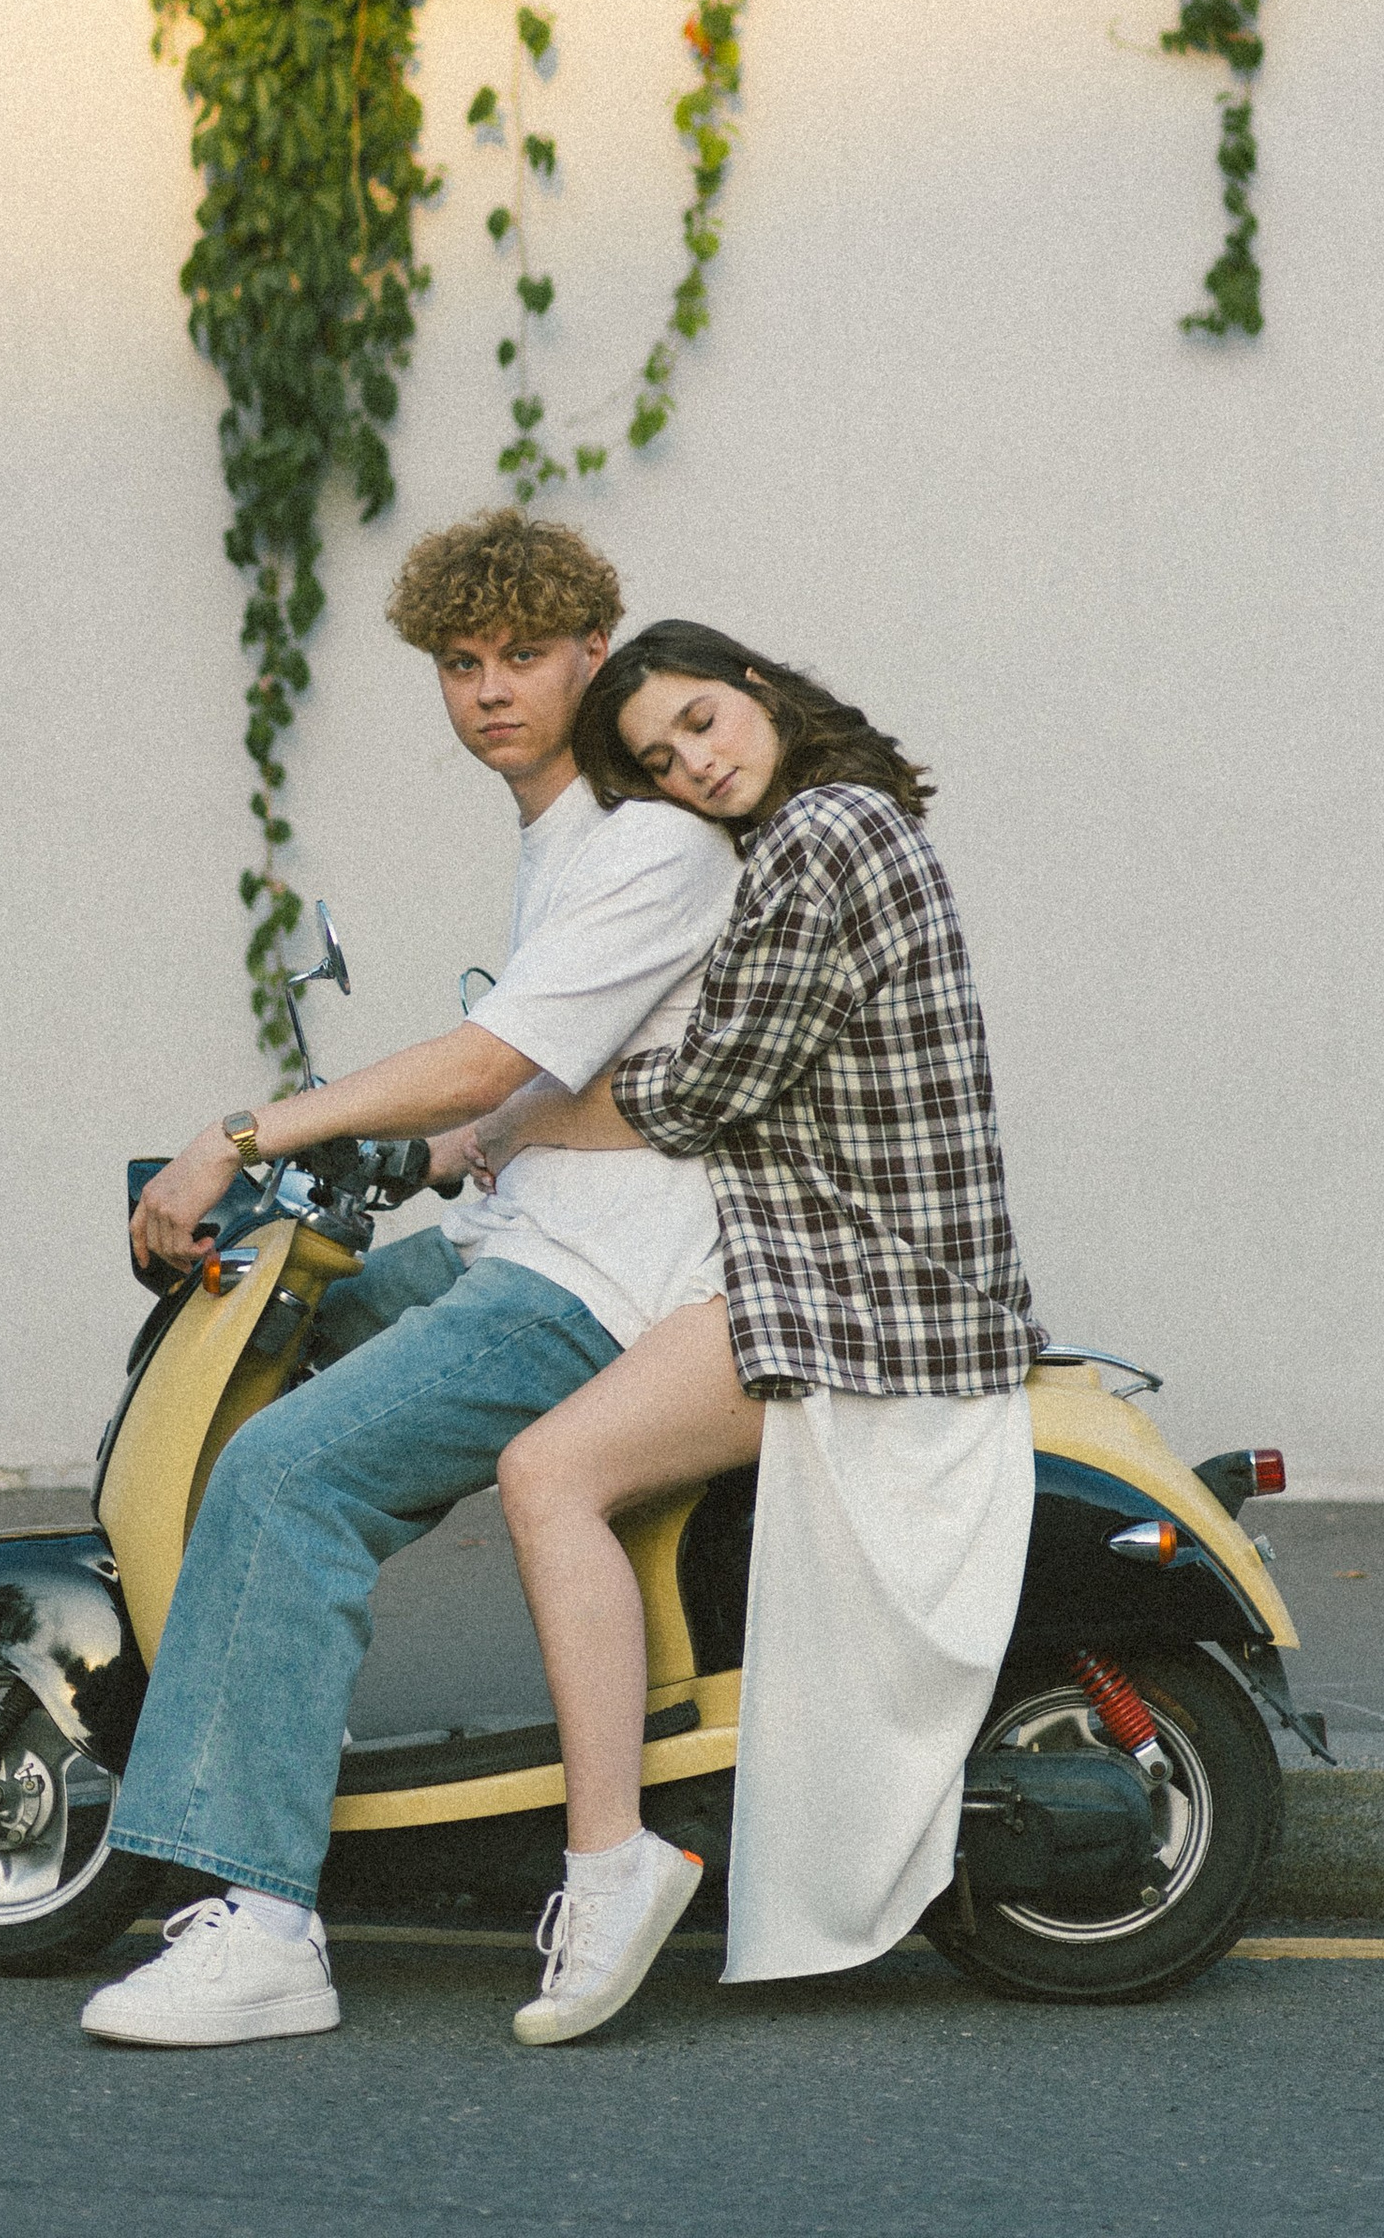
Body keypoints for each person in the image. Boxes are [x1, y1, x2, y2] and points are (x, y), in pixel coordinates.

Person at [79, 513, 739, 2051]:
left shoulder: (651, 840)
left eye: (525, 656)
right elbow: (544, 1083)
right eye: (462, 662)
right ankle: (251, 1729)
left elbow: (498, 1054)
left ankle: (258, 1923)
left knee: (285, 1476)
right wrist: (442, 1154)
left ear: (597, 653)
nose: (492, 689)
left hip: (601, 1286)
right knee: (298, 1330)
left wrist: (244, 1127)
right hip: (532, 1237)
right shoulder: (567, 839)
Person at [473, 621, 1046, 2050]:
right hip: (837, 1258)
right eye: (663, 761)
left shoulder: (825, 833)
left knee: (548, 1476)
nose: (698, 764)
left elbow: (703, 1085)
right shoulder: (838, 826)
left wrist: (492, 1122)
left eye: (705, 722)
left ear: (765, 692)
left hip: (863, 1283)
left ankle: (612, 1868)